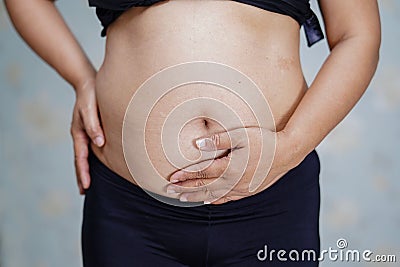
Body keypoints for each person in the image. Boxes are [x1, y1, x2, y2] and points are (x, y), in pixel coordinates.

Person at [5, 0, 381, 266]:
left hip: (271, 201)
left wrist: (290, 145)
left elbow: (357, 34)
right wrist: (82, 79)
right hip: (129, 210)